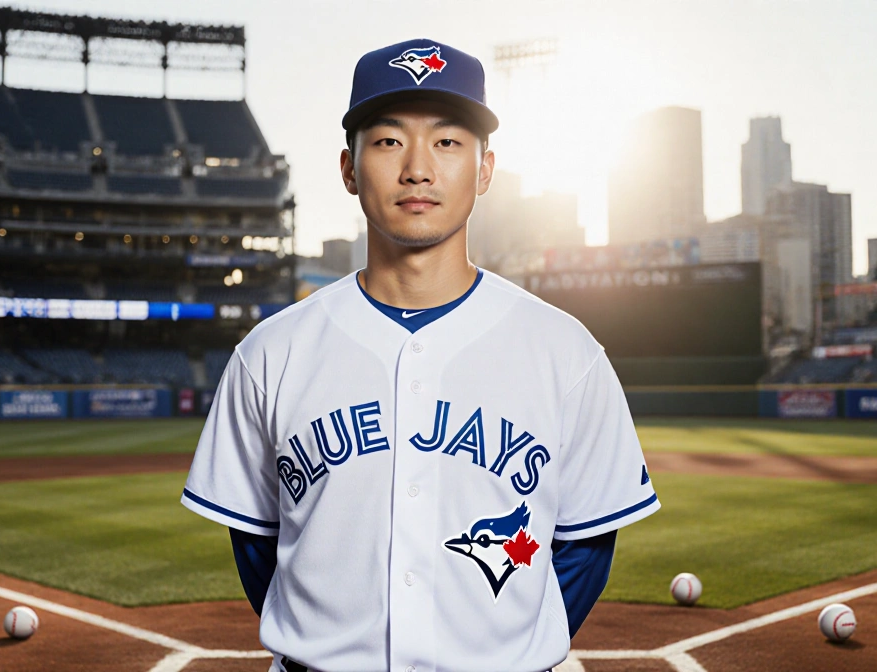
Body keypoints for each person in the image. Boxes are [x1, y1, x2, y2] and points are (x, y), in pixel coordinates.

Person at [182, 38, 659, 672]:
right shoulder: (270, 354)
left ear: (485, 170)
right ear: (349, 169)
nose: (418, 168)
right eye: (387, 141)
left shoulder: (566, 352)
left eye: (448, 141)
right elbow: (255, 543)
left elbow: (587, 544)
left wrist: (506, 655)